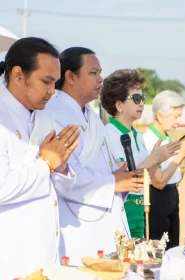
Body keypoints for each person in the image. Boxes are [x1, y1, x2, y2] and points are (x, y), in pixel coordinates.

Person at [30, 47, 146, 266]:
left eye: (100, 73)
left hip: (105, 218)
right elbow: (58, 175)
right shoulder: (51, 115)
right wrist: (113, 182)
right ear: (71, 77)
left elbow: (108, 169)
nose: (100, 79)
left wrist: (119, 176)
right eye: (93, 73)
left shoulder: (92, 118)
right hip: (75, 223)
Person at [0, 38, 79, 279]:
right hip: (12, 255)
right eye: (46, 81)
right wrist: (46, 164)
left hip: (45, 250)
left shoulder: (43, 118)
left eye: (54, 83)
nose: (51, 92)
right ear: (17, 75)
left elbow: (57, 183)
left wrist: (61, 166)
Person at [101, 70, 185, 244]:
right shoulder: (107, 135)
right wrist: (155, 158)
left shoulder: (136, 134)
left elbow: (154, 176)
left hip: (142, 209)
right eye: (136, 99)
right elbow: (125, 178)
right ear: (119, 104)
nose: (142, 104)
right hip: (122, 209)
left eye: (143, 98)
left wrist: (169, 157)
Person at [142, 90, 185, 249]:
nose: (179, 121)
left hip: (172, 196)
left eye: (180, 116)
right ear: (160, 116)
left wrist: (184, 156)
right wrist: (180, 155)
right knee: (159, 251)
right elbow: (159, 182)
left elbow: (177, 178)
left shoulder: (169, 139)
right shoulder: (149, 141)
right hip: (157, 199)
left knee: (173, 248)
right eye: (175, 116)